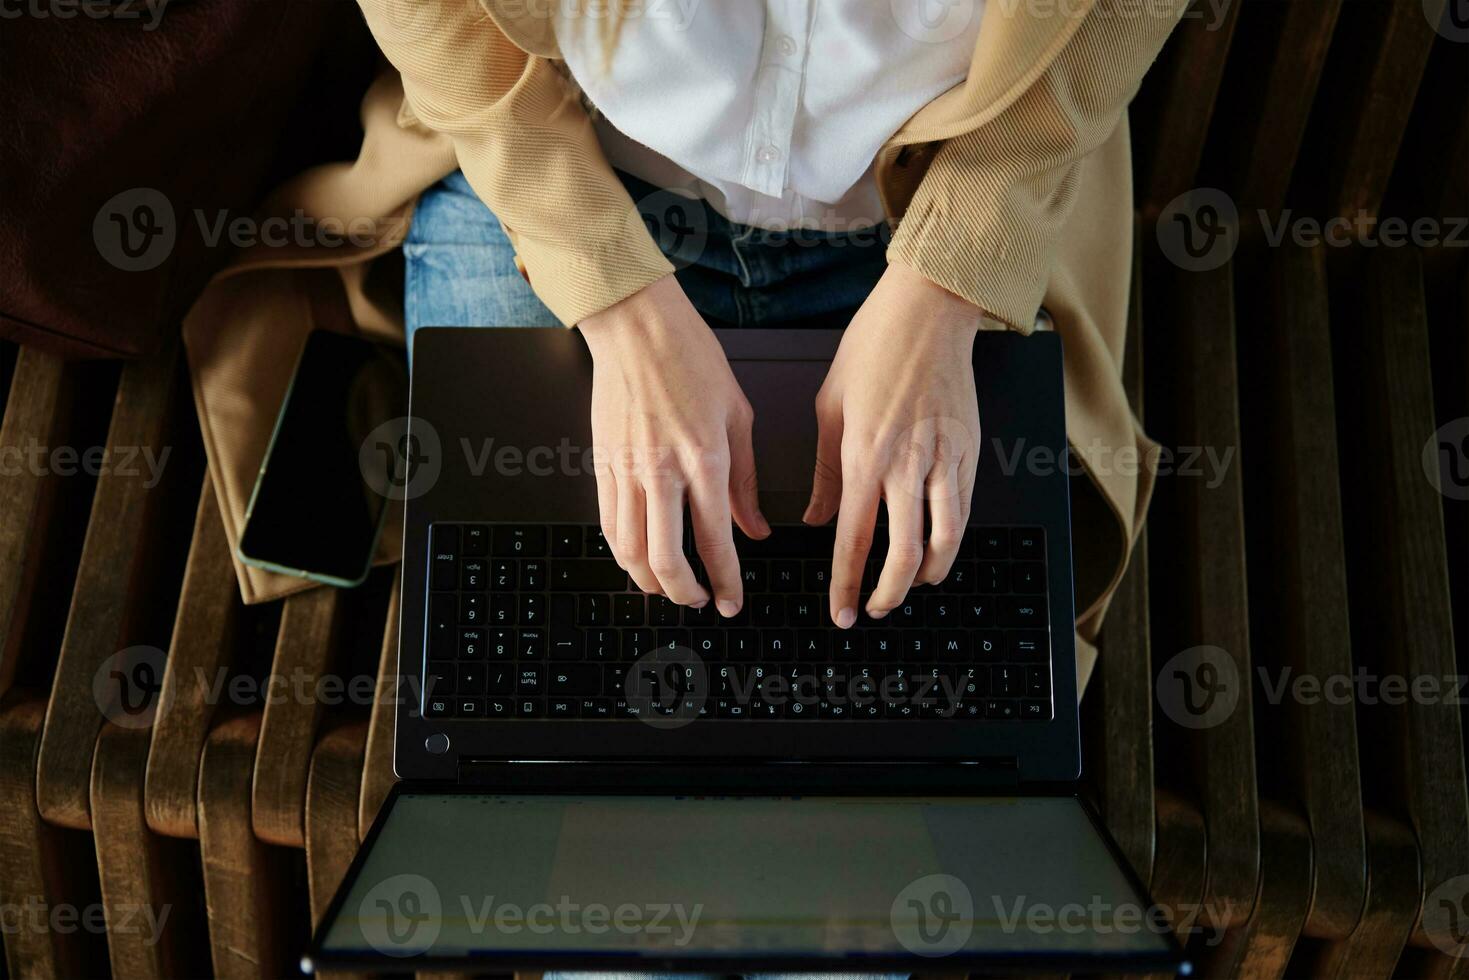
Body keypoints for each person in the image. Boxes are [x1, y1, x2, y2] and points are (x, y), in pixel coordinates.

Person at [356, 0, 1183, 664]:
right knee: (523, 671)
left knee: (931, 707)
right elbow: (444, 25)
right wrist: (616, 302)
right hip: (557, 169)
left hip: (941, 188)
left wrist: (947, 280)